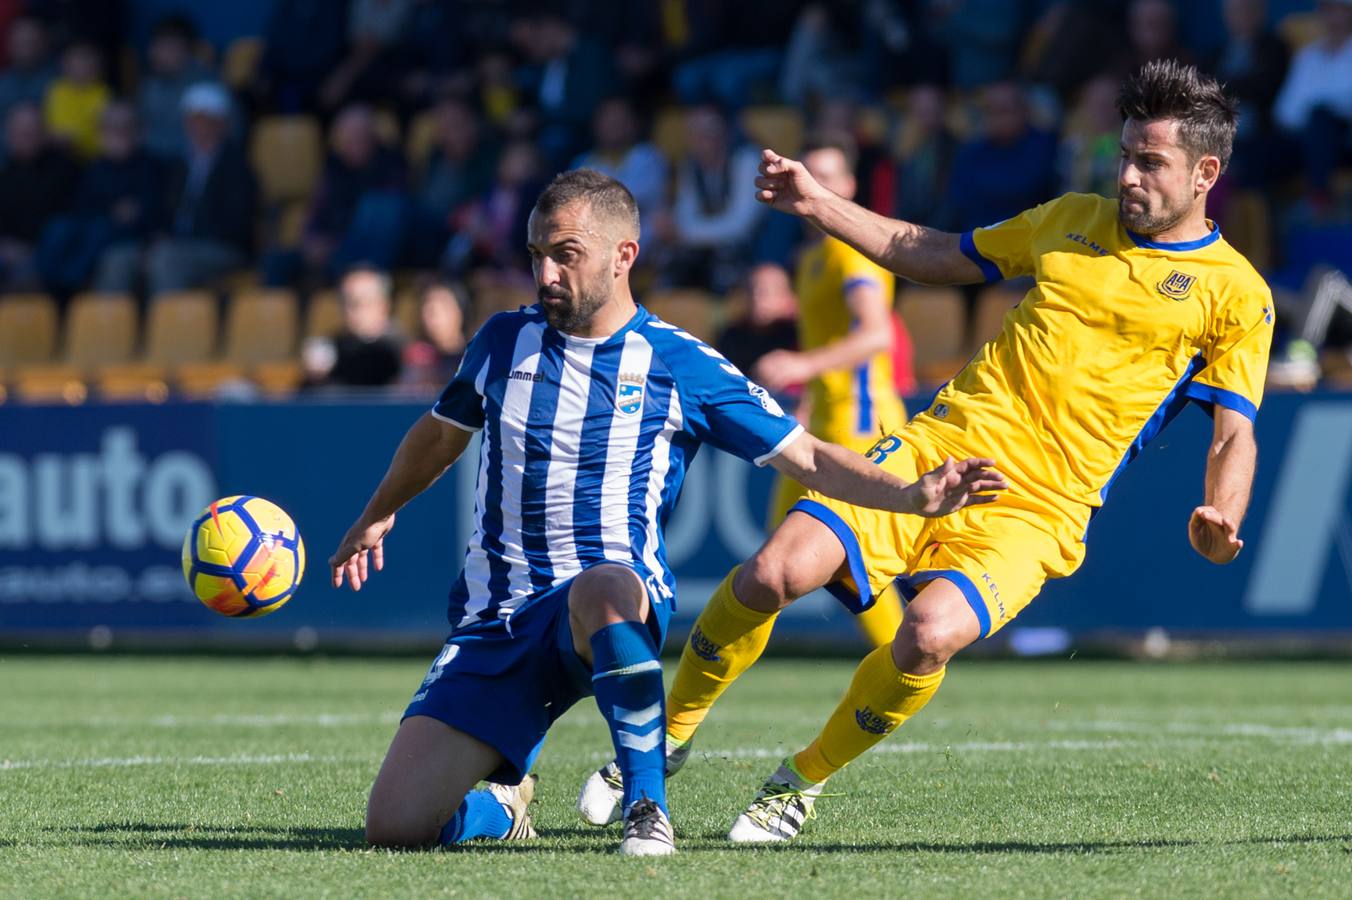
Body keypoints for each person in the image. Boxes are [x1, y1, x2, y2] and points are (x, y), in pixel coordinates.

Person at [578, 60, 1272, 842]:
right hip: (937, 449)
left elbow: (1235, 428)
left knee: (929, 633)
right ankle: (667, 736)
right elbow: (935, 253)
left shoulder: (1236, 293)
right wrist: (818, 203)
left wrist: (1223, 510)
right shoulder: (1071, 218)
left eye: (1150, 162)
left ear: (1206, 172)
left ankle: (797, 782)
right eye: (1124, 155)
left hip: (1042, 509)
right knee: (775, 569)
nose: (1128, 176)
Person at [327, 169, 1006, 857]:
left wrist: (910, 495)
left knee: (605, 584)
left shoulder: (678, 364)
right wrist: (379, 513)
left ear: (624, 256)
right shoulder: (503, 341)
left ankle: (647, 807)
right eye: (536, 255)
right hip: (495, 621)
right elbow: (442, 433)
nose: (546, 273)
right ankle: (503, 812)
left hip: (605, 606)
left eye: (565, 254)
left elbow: (808, 457)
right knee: (396, 828)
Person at [753, 132, 908, 648]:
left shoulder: (850, 252)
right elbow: (829, 334)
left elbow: (876, 334)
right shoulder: (813, 257)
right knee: (770, 565)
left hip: (859, 426)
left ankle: (906, 665)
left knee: (846, 563)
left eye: (825, 175)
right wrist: (809, 395)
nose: (813, 184)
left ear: (847, 185)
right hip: (823, 422)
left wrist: (801, 363)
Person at [144, 83, 256, 295]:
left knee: (167, 259)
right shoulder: (179, 164)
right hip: (178, 245)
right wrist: (161, 236)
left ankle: (169, 326)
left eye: (206, 121)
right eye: (193, 120)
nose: (198, 127)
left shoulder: (237, 167)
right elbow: (166, 209)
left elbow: (237, 223)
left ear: (221, 123)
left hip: (223, 248)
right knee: (128, 258)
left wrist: (185, 242)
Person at [302, 264, 404, 388]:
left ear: (383, 305)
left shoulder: (403, 352)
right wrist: (313, 379)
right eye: (345, 301)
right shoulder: (329, 350)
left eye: (360, 301)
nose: (351, 309)